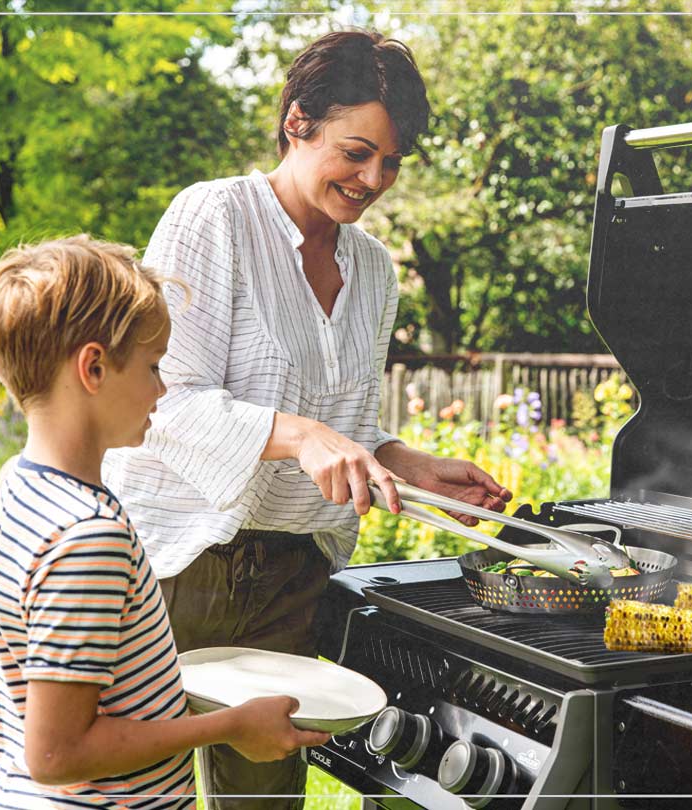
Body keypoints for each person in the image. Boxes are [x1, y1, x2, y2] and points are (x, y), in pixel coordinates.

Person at [102, 29, 510, 809]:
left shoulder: (375, 269)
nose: (373, 179)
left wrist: (404, 463)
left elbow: (344, 423)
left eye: (391, 162)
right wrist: (301, 435)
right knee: (138, 788)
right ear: (297, 123)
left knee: (264, 796)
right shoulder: (214, 217)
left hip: (292, 571)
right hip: (181, 559)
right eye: (356, 152)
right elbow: (163, 402)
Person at [0, 236, 330, 809]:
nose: (162, 389)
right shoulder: (88, 538)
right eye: (153, 366)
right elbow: (57, 754)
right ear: (93, 368)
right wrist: (231, 726)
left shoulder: (20, 484)